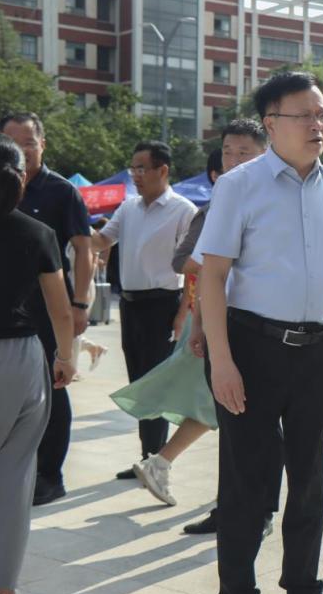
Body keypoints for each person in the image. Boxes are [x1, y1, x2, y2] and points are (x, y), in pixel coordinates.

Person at [196, 71, 323, 594]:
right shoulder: (239, 186)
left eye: (322, 114)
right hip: (251, 349)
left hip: (319, 351)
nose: (318, 125)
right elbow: (212, 276)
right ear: (272, 124)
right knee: (247, 480)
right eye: (305, 115)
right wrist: (222, 361)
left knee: (309, 479)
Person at [114, 120, 269, 513]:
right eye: (228, 153)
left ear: (265, 154)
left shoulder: (275, 201)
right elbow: (192, 265)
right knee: (224, 405)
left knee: (225, 407)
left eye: (244, 153)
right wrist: (197, 320)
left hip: (261, 326)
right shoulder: (214, 209)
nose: (234, 160)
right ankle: (229, 499)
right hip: (226, 324)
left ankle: (175, 469)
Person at [0, 134, 77, 594]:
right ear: (22, 175)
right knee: (11, 473)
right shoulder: (38, 233)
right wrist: (66, 357)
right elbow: (60, 309)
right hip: (18, 361)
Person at [0, 112, 92, 506]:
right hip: (1, 307)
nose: (22, 151)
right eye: (13, 143)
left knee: (52, 388)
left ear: (43, 144)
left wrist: (80, 304)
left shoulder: (62, 192)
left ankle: (50, 475)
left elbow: (84, 250)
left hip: (49, 307)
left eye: (29, 143)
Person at [90, 141, 197, 478]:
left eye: (141, 168)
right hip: (131, 305)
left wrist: (182, 314)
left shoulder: (183, 210)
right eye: (133, 168)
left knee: (155, 384)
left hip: (163, 305)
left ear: (162, 170)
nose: (135, 175)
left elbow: (192, 269)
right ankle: (146, 457)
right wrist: (74, 228)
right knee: (139, 381)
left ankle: (154, 460)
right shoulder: (128, 208)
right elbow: (102, 241)